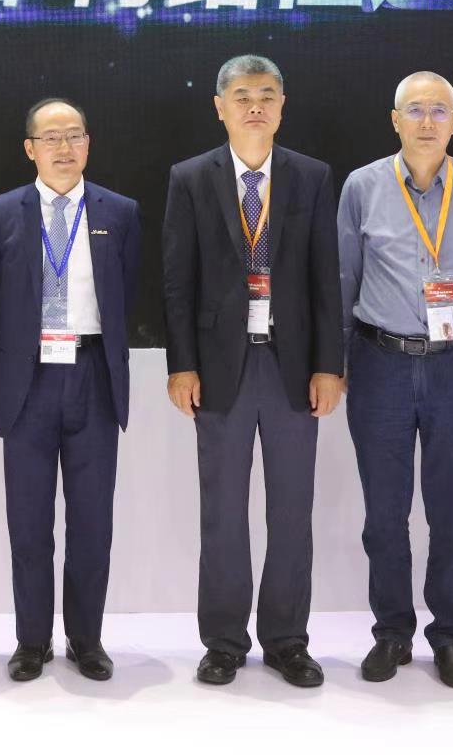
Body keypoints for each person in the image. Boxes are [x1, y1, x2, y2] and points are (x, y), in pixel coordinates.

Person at [163, 55, 343, 688]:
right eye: (242, 96)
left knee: (292, 510)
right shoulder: (191, 177)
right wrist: (182, 365)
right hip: (220, 369)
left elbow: (326, 277)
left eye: (267, 94)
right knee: (223, 511)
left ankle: (288, 640)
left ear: (282, 105)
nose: (255, 106)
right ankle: (223, 641)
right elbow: (177, 281)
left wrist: (329, 366)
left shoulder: (312, 176)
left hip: (293, 367)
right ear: (220, 107)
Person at [337, 70, 453, 690]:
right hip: (379, 364)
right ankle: (391, 633)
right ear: (395, 120)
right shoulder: (362, 187)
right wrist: (338, 365)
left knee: (450, 514)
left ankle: (450, 637)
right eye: (415, 109)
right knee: (384, 517)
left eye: (440, 110)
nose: (428, 121)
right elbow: (343, 279)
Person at [0, 99, 140, 682]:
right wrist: (21, 353)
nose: (63, 148)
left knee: (92, 522)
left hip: (93, 376)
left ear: (88, 143)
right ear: (30, 149)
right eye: (51, 138)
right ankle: (31, 640)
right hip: (29, 380)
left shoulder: (121, 212)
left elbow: (127, 295)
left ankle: (86, 639)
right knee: (28, 522)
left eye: (74, 136)